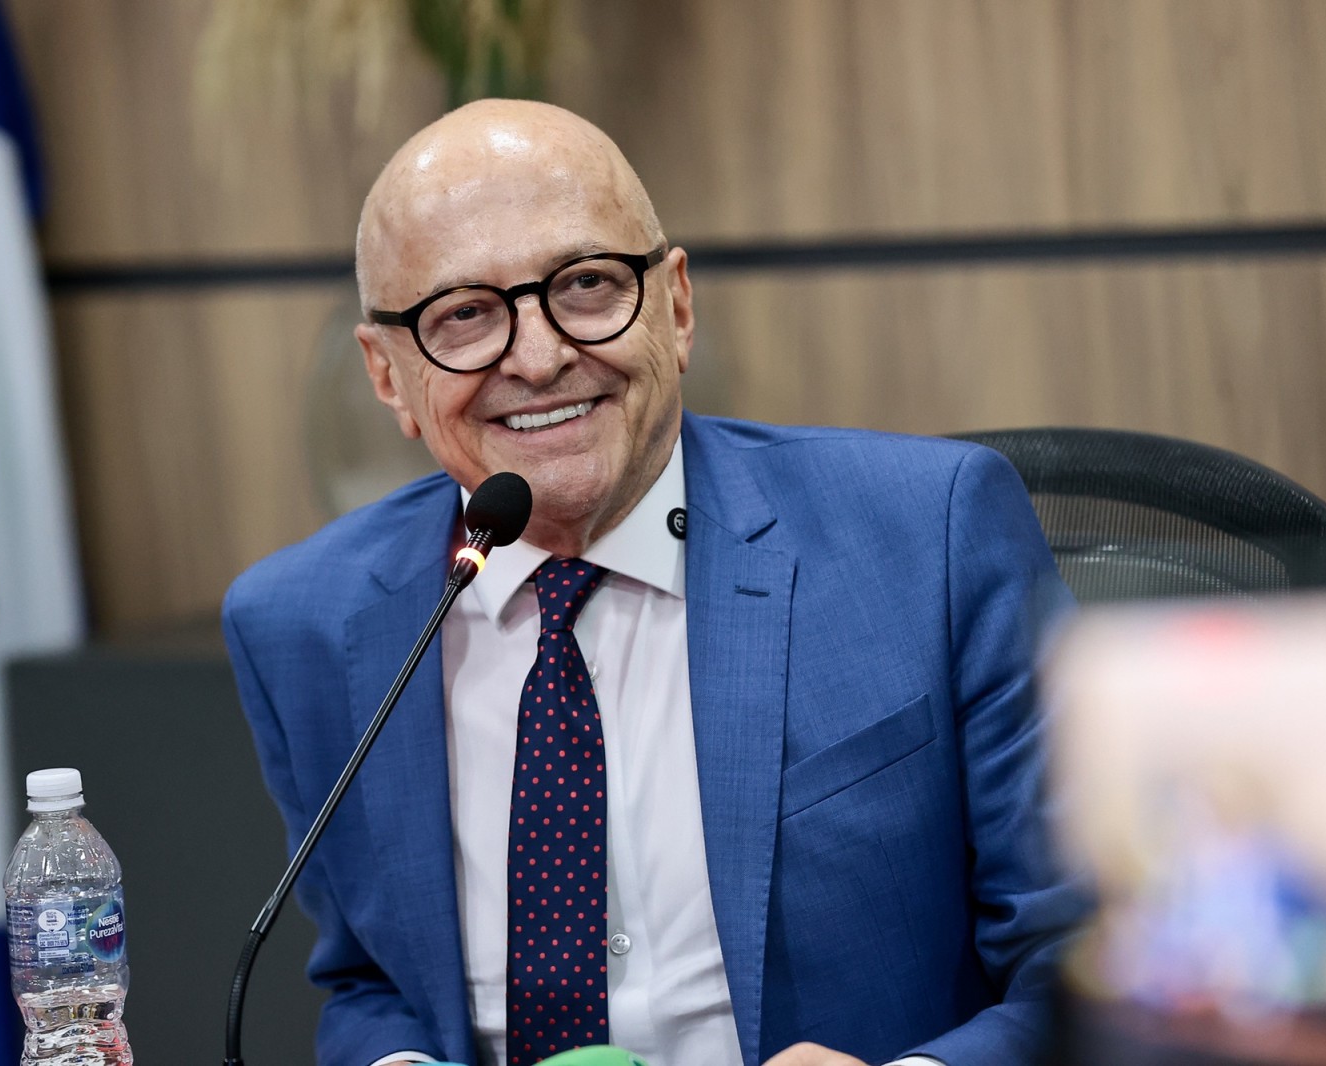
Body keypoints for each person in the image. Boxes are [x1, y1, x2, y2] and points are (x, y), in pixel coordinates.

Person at [222, 99, 1080, 1066]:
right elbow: (371, 982)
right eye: (463, 315)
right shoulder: (303, 622)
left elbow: (1098, 959)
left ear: (675, 306)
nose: (539, 358)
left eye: (586, 285)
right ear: (387, 375)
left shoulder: (930, 537)